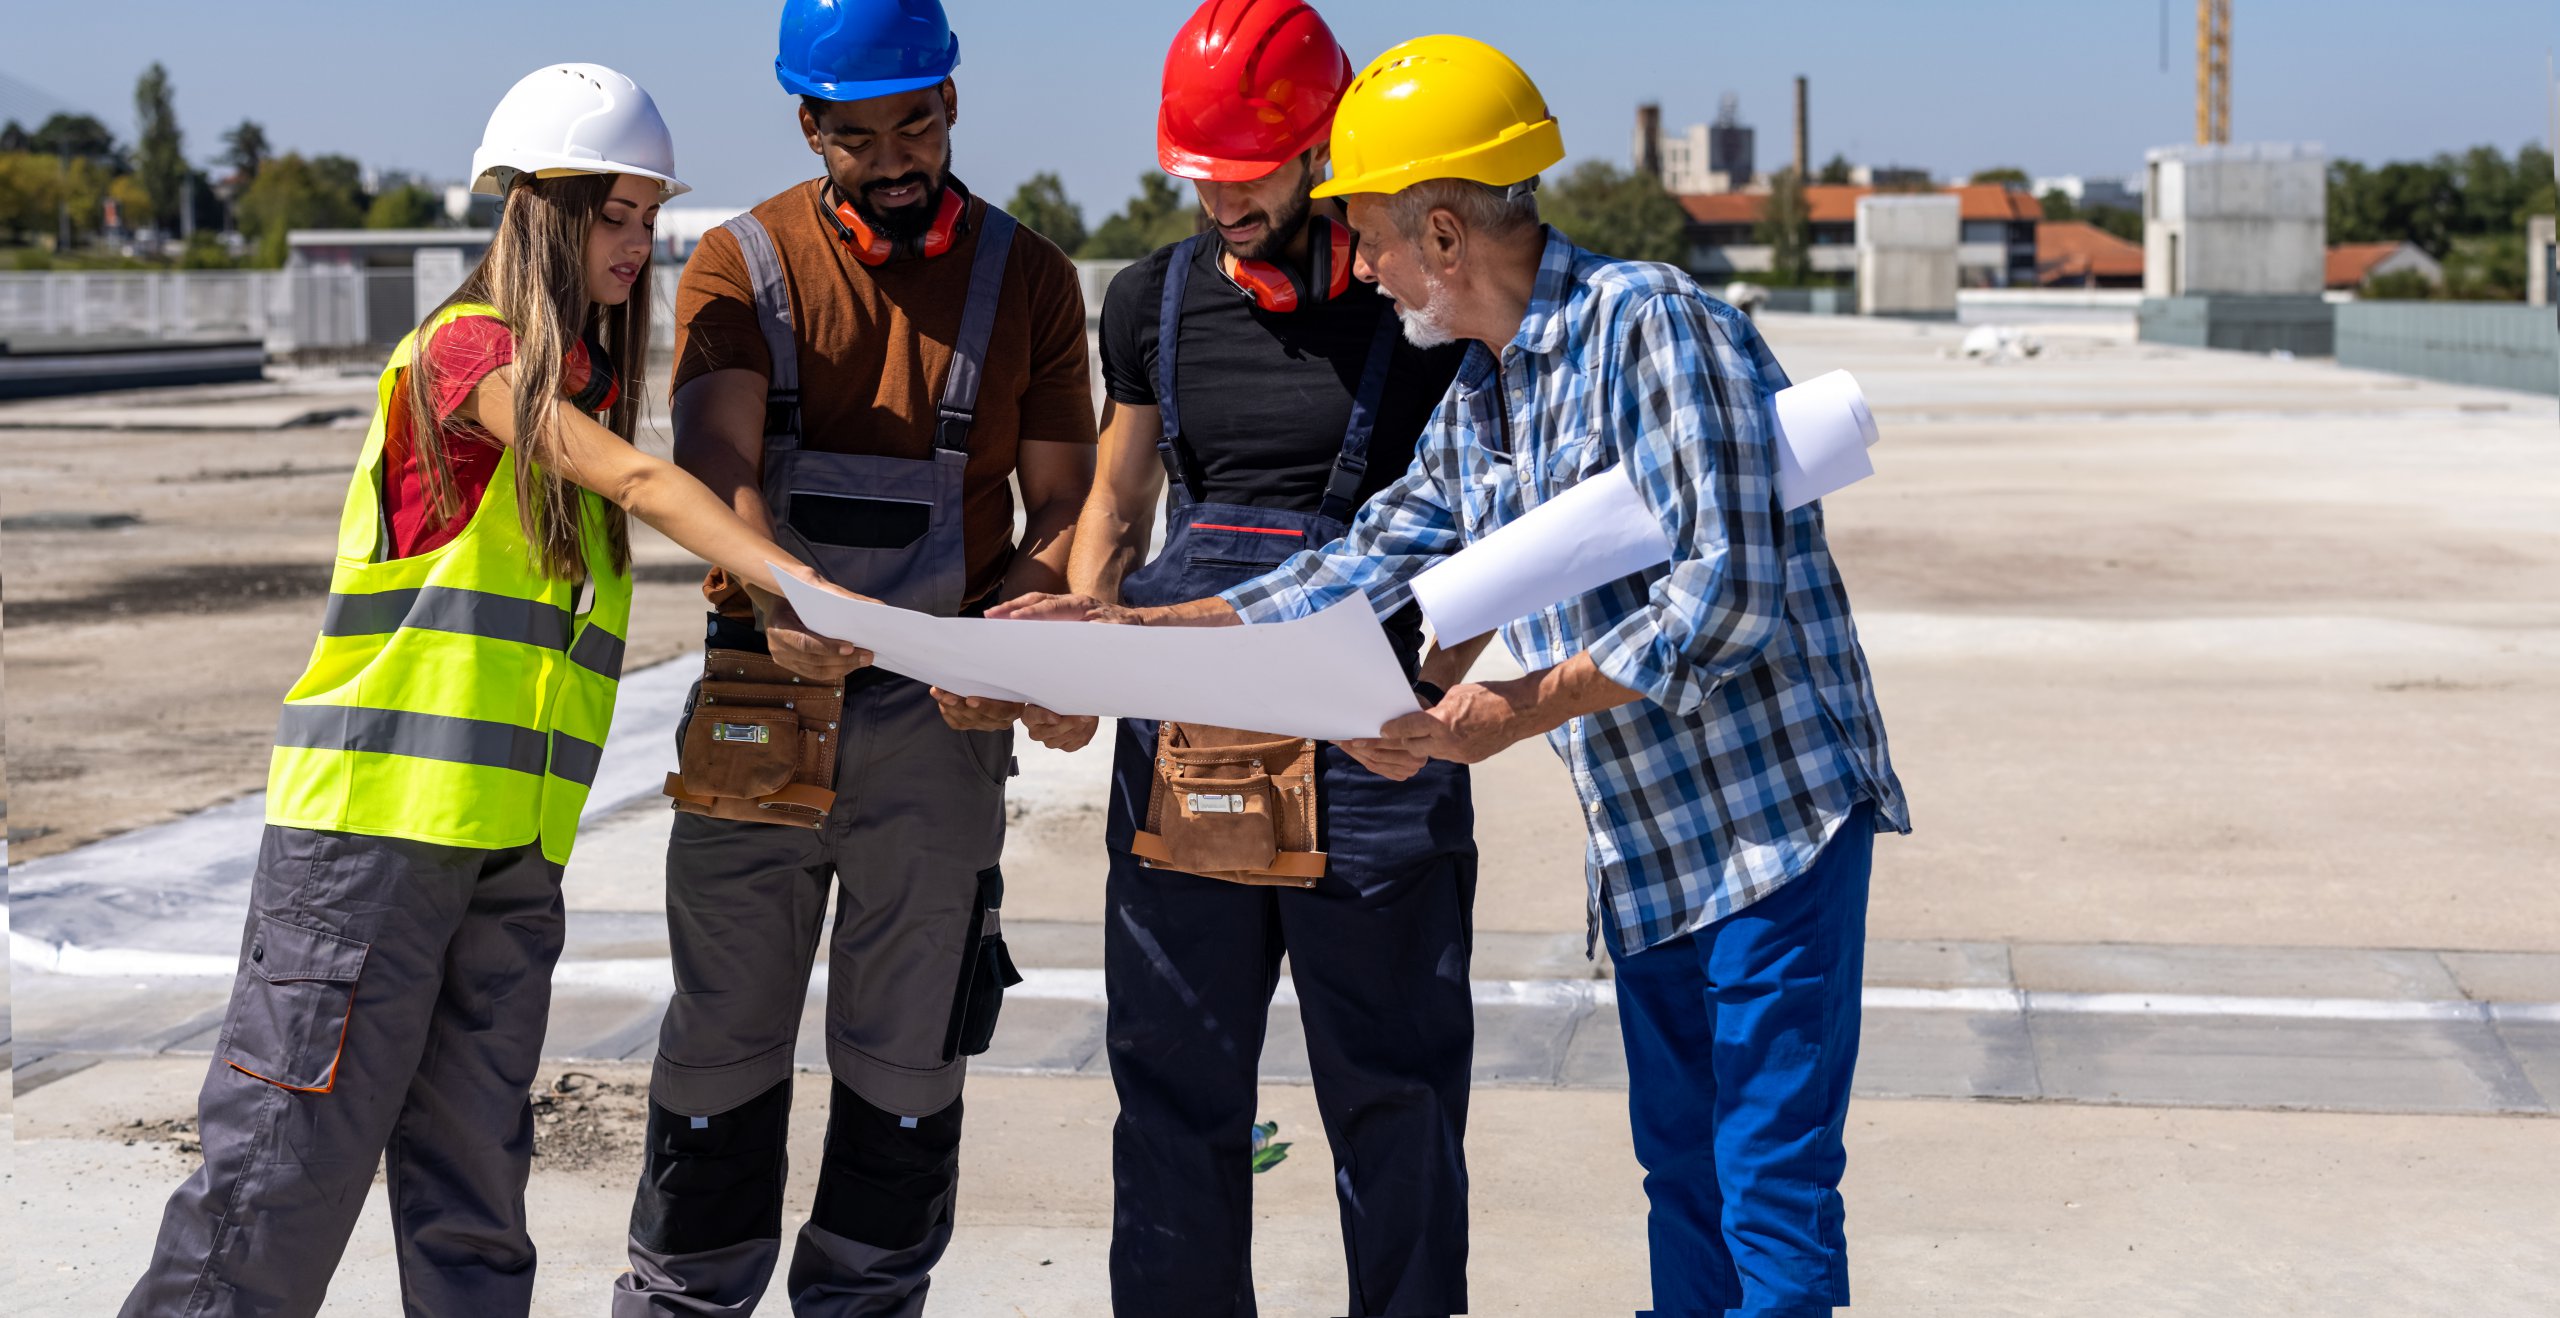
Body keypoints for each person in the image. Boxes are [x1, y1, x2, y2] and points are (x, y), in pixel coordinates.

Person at [1000, 35, 1909, 1318]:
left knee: (1766, 1193)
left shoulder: (1650, 325)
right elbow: (1361, 569)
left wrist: (1510, 711)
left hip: (1770, 830)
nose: (1356, 265)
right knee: (1684, 1181)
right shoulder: (1486, 393)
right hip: (1653, 846)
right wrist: (1125, 635)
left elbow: (1730, 593)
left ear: (1440, 230)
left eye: (1365, 232)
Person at [118, 64, 854, 1318]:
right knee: (278, 1187)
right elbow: (638, 484)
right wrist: (798, 583)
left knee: (475, 1193)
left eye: (644, 218)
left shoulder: (580, 382)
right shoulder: (466, 356)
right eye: (612, 215)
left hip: (510, 855)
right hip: (373, 842)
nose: (635, 244)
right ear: (538, 211)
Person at [611, 1, 1098, 1313]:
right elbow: (717, 469)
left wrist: (1036, 616)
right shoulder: (739, 262)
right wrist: (786, 591)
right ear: (807, 123)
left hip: (941, 727)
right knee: (720, 1048)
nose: (894, 162)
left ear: (953, 101)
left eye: (917, 125)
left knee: (906, 1062)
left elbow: (1061, 505)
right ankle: (682, 1295)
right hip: (762, 705)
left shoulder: (1031, 282)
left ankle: (869, 1299)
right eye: (857, 136)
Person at [1033, 3, 1486, 1314]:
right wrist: (1085, 640)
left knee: (1392, 1096)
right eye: (1202, 174)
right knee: (1175, 1083)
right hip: (1193, 734)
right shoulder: (1153, 299)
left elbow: (1478, 527)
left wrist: (1441, 696)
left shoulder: (1421, 307)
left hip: (1370, 750)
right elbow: (1117, 503)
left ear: (1324, 150)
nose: (1222, 198)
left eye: (1248, 171)